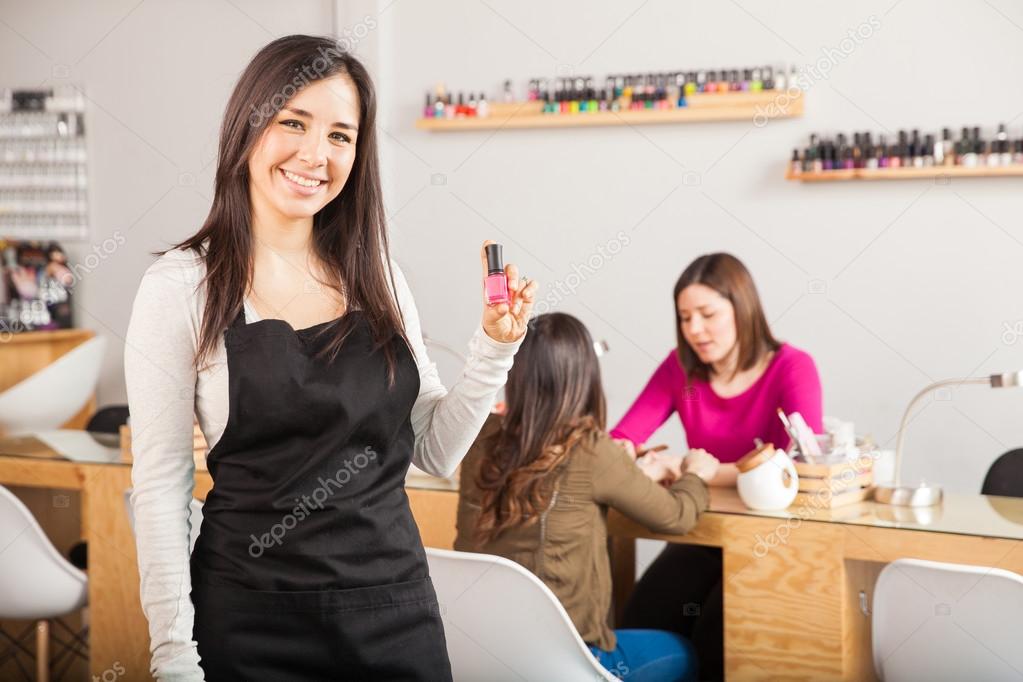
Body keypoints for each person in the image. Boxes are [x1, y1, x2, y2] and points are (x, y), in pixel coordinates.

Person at [124, 35, 537, 681]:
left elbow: (434, 450)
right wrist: (174, 655)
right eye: (294, 122)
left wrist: (495, 347)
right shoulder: (182, 286)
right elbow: (159, 489)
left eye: (340, 135)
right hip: (248, 618)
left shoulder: (379, 276)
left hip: (394, 613)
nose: (315, 154)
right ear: (248, 125)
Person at [455, 312, 720, 682]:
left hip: (482, 653)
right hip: (572, 661)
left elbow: (550, 484)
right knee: (687, 653)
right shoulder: (590, 449)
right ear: (584, 377)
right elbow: (676, 516)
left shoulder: (479, 438)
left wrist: (631, 474)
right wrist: (695, 474)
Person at [611, 252, 823, 680]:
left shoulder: (791, 367)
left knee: (717, 638)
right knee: (639, 622)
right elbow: (619, 441)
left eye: (707, 314)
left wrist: (690, 471)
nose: (695, 330)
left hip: (771, 538)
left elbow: (799, 466)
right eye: (685, 317)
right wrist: (647, 461)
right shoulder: (680, 369)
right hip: (702, 531)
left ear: (742, 309)